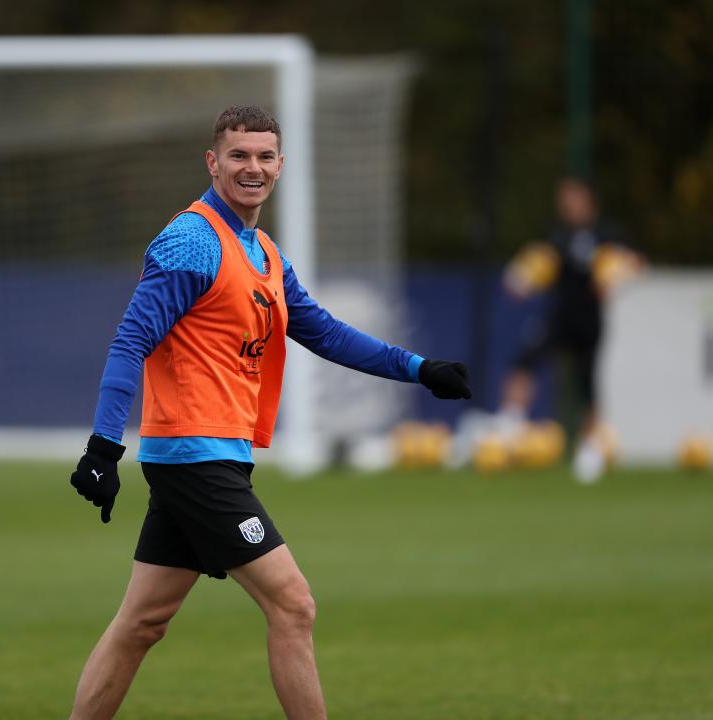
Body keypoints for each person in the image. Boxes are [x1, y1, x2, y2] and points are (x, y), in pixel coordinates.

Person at [67, 105, 471, 720]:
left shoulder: (262, 252)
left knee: (142, 623)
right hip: (194, 456)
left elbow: (325, 333)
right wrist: (102, 447)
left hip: (214, 455)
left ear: (280, 165)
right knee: (294, 605)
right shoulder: (191, 241)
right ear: (213, 162)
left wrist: (418, 369)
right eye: (238, 155)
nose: (251, 167)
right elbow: (130, 342)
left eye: (263, 156)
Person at [498, 176, 642, 482]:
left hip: (589, 321)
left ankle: (589, 449)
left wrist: (619, 274)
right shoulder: (557, 236)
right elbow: (533, 266)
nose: (567, 204)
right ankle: (510, 425)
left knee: (587, 386)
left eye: (573, 198)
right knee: (523, 361)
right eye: (564, 199)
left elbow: (635, 262)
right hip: (558, 317)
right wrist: (521, 280)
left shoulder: (607, 233)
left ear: (588, 199)